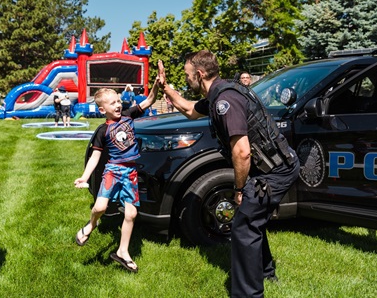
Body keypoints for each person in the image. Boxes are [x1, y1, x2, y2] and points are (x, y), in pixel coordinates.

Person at [159, 53, 300, 298]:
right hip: (268, 168)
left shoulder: (226, 101)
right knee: (252, 219)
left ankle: (247, 294)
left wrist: (238, 189)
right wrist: (166, 87)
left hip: (276, 171)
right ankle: (266, 272)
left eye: (186, 74)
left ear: (199, 75)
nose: (186, 78)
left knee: (243, 226)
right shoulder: (218, 94)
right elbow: (190, 109)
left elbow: (242, 152)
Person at [73, 77, 160, 273]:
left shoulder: (129, 115)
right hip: (113, 171)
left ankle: (122, 251)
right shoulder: (102, 131)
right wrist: (84, 177)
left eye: (119, 101)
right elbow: (95, 157)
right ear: (102, 110)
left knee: (131, 213)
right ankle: (91, 225)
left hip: (130, 173)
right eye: (113, 103)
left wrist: (155, 85)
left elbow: (149, 101)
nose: (118, 105)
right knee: (100, 207)